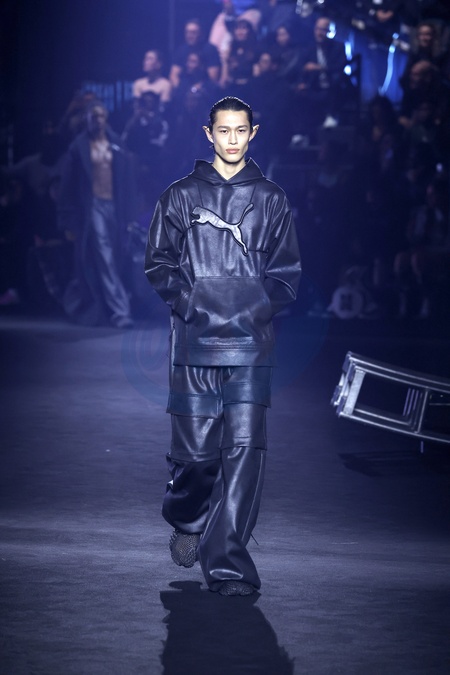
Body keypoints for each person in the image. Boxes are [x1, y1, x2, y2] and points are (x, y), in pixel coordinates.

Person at [144, 96, 301, 596]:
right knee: (195, 457)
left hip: (251, 346)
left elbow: (286, 275)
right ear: (208, 134)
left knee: (244, 454)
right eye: (223, 130)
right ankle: (188, 517)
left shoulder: (271, 198)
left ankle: (229, 566)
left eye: (240, 130)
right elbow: (158, 264)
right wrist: (192, 304)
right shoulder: (179, 196)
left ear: (253, 133)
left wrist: (253, 308)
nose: (232, 139)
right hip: (194, 343)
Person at [58, 102, 136, 328]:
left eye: (101, 116)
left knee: (115, 255)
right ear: (87, 119)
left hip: (114, 206)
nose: (98, 120)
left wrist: (129, 213)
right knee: (105, 256)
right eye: (94, 116)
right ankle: (121, 311)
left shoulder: (116, 144)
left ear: (106, 118)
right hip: (93, 206)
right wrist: (67, 219)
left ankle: (101, 305)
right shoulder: (79, 147)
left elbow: (127, 181)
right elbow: (67, 185)